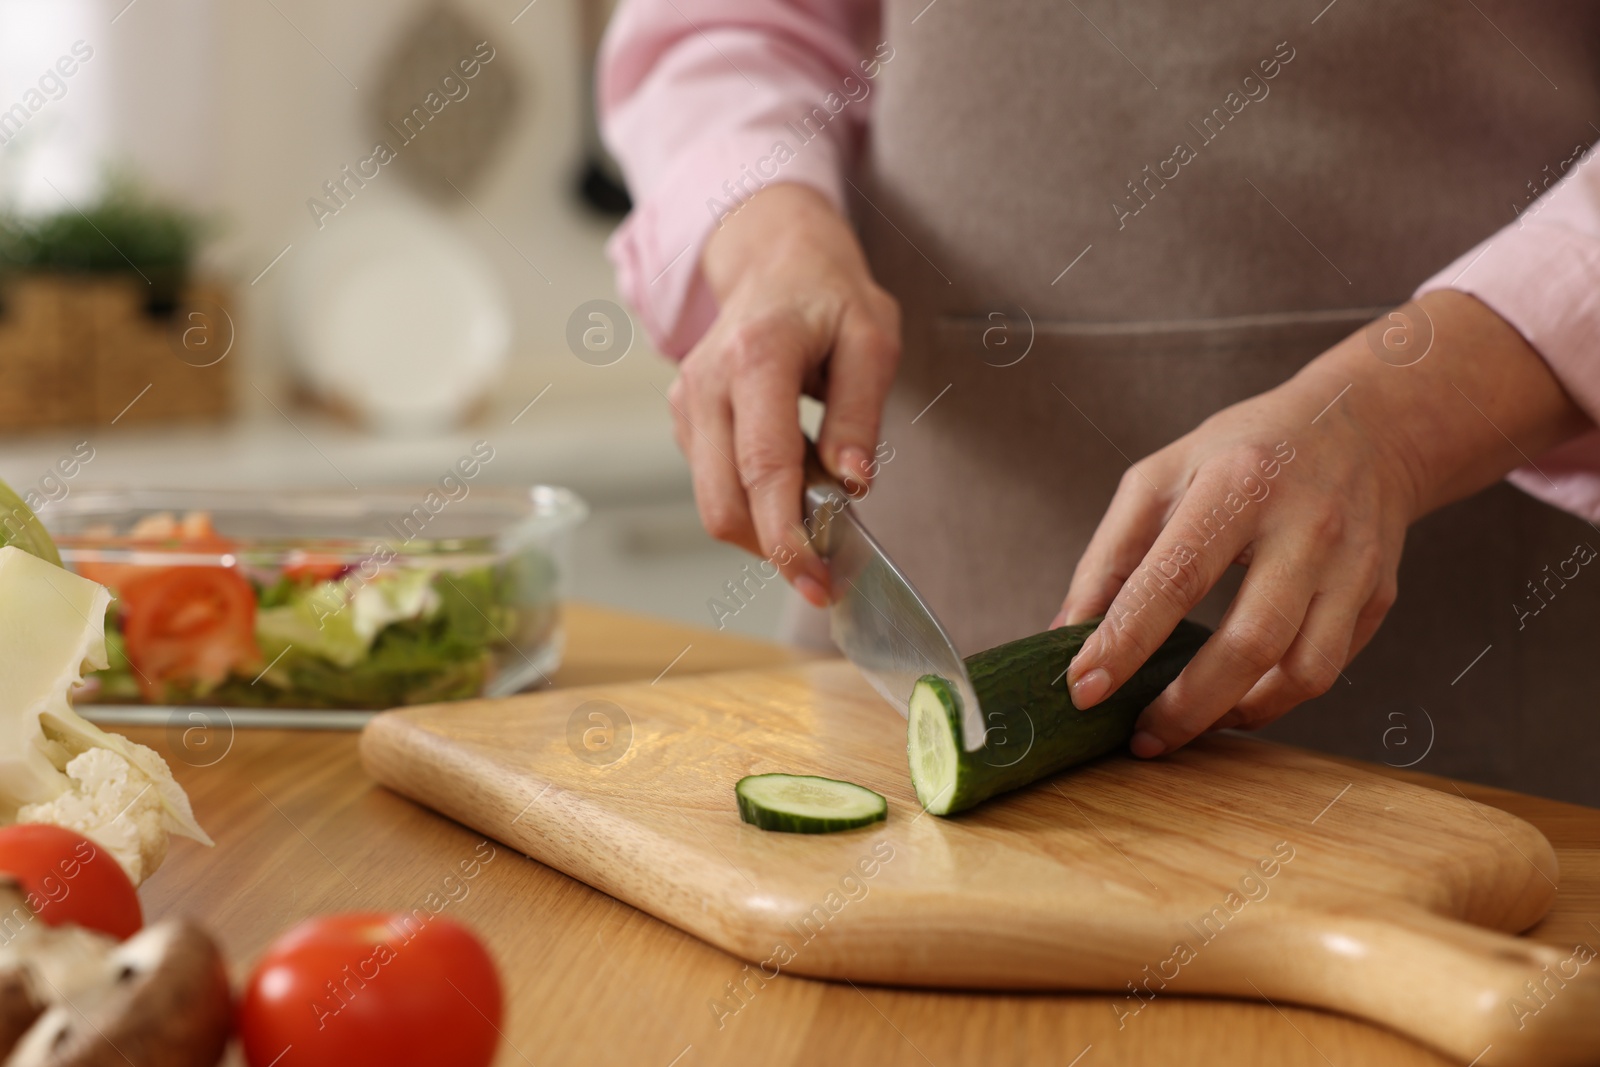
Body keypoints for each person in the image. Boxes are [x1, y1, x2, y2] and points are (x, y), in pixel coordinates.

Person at [599, 0, 1600, 804]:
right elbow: (720, 25)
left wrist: (1400, 423)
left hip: (1481, 663)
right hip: (924, 584)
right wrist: (772, 240)